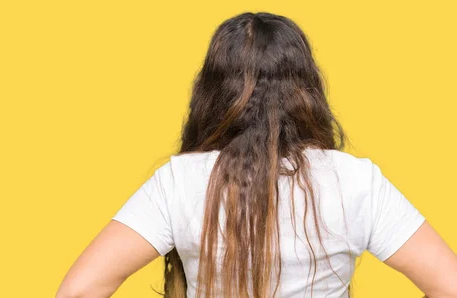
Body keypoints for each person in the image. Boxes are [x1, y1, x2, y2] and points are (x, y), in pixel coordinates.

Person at [56, 11, 457, 298]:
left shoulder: (180, 181)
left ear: (211, 93)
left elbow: (78, 290)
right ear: (306, 88)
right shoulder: (355, 181)